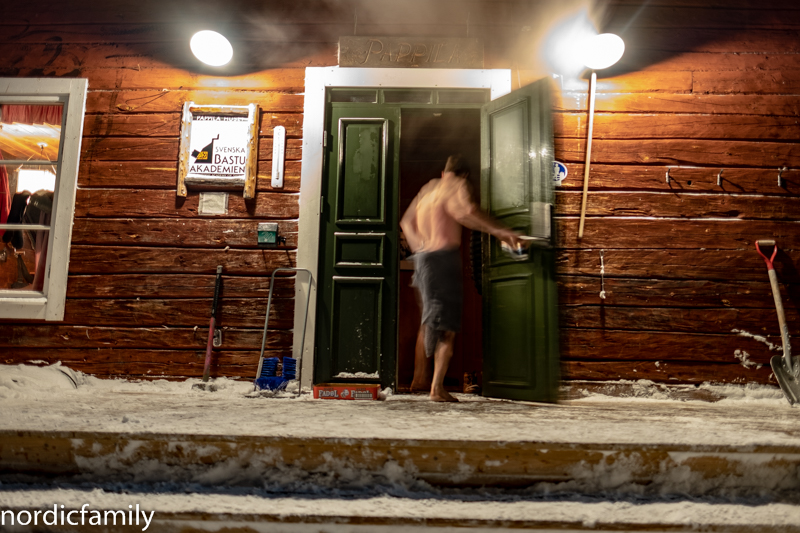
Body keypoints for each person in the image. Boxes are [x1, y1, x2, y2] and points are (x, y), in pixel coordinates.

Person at [400, 154, 525, 402]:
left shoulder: (429, 187)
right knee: (447, 327)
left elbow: (405, 221)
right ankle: (436, 388)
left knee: (428, 321)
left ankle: (419, 379)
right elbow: (465, 212)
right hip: (442, 260)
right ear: (465, 175)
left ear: (445, 171)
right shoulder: (457, 186)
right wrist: (500, 230)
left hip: (424, 259)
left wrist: (419, 246)